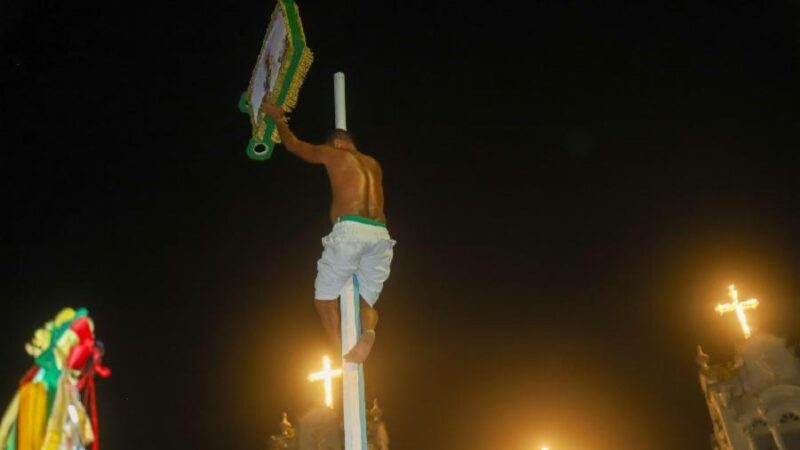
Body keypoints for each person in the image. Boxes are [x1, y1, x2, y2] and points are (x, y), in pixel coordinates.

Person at [261, 100, 395, 363]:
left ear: (336, 143)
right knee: (365, 304)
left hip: (351, 231)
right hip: (380, 235)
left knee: (324, 301)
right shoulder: (373, 164)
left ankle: (342, 354)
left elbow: (295, 146)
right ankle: (368, 331)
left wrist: (278, 119)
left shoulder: (334, 154)